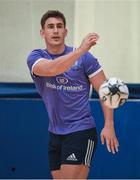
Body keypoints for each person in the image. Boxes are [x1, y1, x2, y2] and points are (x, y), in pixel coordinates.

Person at [27, 10, 119, 179]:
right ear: (42, 33)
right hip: (55, 133)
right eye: (50, 27)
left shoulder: (86, 59)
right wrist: (80, 51)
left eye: (59, 26)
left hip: (80, 131)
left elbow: (107, 90)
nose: (55, 31)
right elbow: (51, 68)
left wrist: (109, 124)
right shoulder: (36, 57)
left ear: (65, 32)